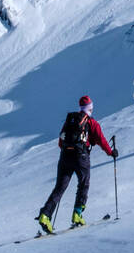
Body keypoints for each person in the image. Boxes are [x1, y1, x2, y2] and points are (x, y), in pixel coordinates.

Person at [36, 95, 116, 233]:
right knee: (84, 183)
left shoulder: (70, 120)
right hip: (81, 157)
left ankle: (45, 215)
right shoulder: (91, 123)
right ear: (90, 108)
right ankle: (77, 214)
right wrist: (111, 152)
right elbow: (101, 140)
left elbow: (60, 142)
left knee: (60, 188)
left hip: (65, 157)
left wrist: (69, 150)